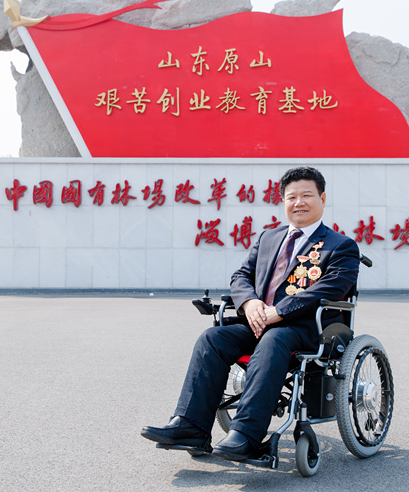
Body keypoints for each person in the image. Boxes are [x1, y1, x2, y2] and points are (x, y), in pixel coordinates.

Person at [141, 166, 360, 460]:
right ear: (283, 201)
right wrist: (249, 303)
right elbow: (241, 276)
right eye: (291, 197)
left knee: (274, 339)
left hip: (306, 329)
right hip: (258, 322)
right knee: (212, 339)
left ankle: (246, 435)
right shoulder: (269, 238)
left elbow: (330, 287)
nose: (299, 202)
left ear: (322, 198)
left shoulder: (341, 246)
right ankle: (191, 426)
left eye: (307, 195)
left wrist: (278, 312)